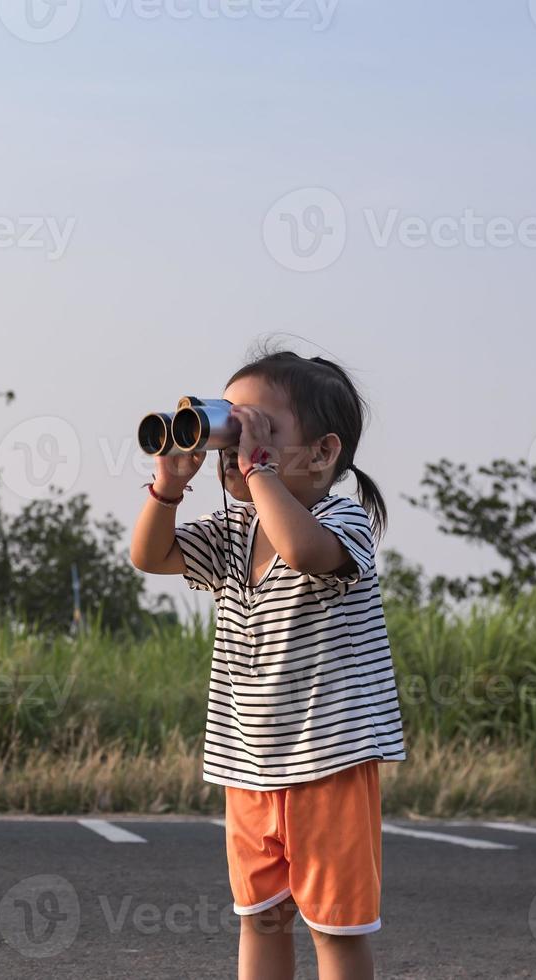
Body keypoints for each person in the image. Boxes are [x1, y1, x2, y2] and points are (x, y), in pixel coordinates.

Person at [129, 349, 404, 980]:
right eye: (231, 424)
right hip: (247, 762)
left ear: (322, 453)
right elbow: (151, 554)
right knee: (262, 918)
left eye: (262, 429)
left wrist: (256, 473)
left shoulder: (339, 518)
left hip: (328, 760)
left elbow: (305, 551)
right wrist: (169, 485)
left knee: (334, 928)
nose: (238, 444)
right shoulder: (235, 530)